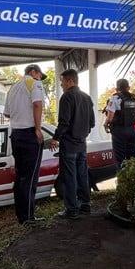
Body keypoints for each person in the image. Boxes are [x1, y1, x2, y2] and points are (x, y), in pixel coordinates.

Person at [3, 64, 47, 225]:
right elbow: (37, 104)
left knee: (20, 176)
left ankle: (21, 216)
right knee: (30, 177)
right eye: (40, 75)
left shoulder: (13, 87)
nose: (40, 78)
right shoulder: (35, 83)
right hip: (29, 135)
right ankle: (29, 217)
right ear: (34, 72)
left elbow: (7, 113)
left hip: (16, 135)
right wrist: (37, 129)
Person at [50, 69, 96, 219]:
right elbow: (92, 123)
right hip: (82, 144)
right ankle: (85, 205)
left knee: (70, 176)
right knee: (82, 175)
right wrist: (83, 134)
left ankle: (71, 209)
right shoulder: (87, 97)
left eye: (62, 81)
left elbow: (64, 122)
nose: (61, 84)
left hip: (69, 144)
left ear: (70, 81)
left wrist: (56, 138)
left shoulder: (67, 97)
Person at [104, 78, 135, 169]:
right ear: (128, 87)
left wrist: (105, 124)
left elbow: (110, 116)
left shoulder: (115, 97)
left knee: (120, 158)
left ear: (117, 88)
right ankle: (132, 179)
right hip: (132, 130)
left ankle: (122, 181)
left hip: (119, 131)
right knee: (131, 157)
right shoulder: (134, 98)